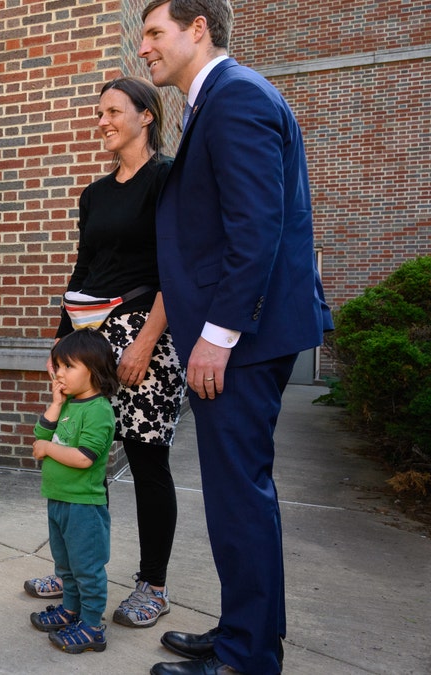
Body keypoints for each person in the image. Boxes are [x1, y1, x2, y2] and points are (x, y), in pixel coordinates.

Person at [137, 2, 334, 674]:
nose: (144, 49)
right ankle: (245, 633)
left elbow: (257, 228)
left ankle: (247, 657)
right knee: (244, 493)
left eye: (155, 33)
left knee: (237, 495)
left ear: (199, 29)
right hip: (245, 334)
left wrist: (217, 335)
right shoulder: (218, 100)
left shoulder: (236, 97)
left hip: (242, 339)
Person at [24, 76, 186, 632]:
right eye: (99, 114)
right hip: (90, 341)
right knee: (80, 457)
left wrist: (145, 342)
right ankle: (75, 572)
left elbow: (177, 269)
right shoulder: (93, 195)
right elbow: (83, 270)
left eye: (113, 111)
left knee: (145, 462)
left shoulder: (167, 179)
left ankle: (152, 585)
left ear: (146, 116)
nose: (103, 122)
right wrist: (62, 346)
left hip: (147, 335)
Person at [27, 328, 118, 654]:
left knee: (87, 568)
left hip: (84, 506)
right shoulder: (67, 404)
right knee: (65, 566)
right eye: (58, 367)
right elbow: (40, 432)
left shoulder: (98, 410)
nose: (59, 374)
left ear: (93, 370)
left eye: (68, 367)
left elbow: (83, 457)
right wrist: (55, 403)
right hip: (59, 500)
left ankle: (93, 626)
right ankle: (70, 610)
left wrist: (47, 449)